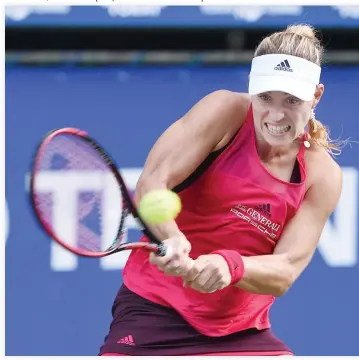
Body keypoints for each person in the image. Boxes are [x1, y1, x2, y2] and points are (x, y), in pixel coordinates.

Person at [99, 23, 343, 356]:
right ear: (251, 88)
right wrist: (171, 237)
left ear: (315, 96)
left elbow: (285, 270)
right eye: (265, 97)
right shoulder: (224, 111)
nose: (275, 114)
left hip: (240, 333)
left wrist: (231, 266)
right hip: (154, 311)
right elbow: (153, 182)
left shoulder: (322, 174)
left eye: (291, 100)